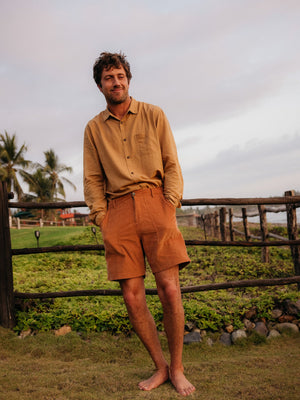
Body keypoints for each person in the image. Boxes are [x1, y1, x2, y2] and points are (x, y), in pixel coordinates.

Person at [83, 51, 195, 397]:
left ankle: (177, 368)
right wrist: (102, 217)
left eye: (120, 76)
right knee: (132, 298)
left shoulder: (154, 114)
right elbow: (92, 178)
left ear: (128, 79)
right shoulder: (93, 128)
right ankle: (160, 366)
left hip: (155, 203)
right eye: (108, 78)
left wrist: (169, 203)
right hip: (116, 212)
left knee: (170, 289)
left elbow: (171, 164)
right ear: (100, 85)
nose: (115, 82)